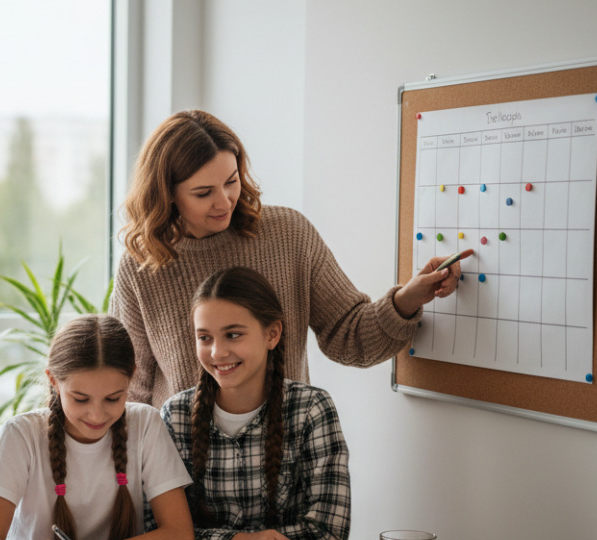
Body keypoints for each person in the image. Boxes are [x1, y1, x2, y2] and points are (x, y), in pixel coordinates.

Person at [112, 109, 472, 407]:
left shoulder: (287, 234)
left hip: (283, 459)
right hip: (180, 473)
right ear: (167, 194)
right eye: (204, 192)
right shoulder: (142, 265)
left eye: (232, 181)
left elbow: (349, 335)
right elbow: (130, 387)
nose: (224, 201)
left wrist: (407, 299)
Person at [0, 314, 195, 540]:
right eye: (80, 399)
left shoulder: (145, 423)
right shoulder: (22, 433)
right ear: (53, 380)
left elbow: (180, 537)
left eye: (113, 398)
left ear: (132, 376)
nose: (97, 415)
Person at [161, 266, 350, 540]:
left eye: (233, 335)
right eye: (205, 338)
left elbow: (328, 535)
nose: (217, 352)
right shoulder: (175, 416)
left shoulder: (312, 408)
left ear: (272, 334)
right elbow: (160, 532)